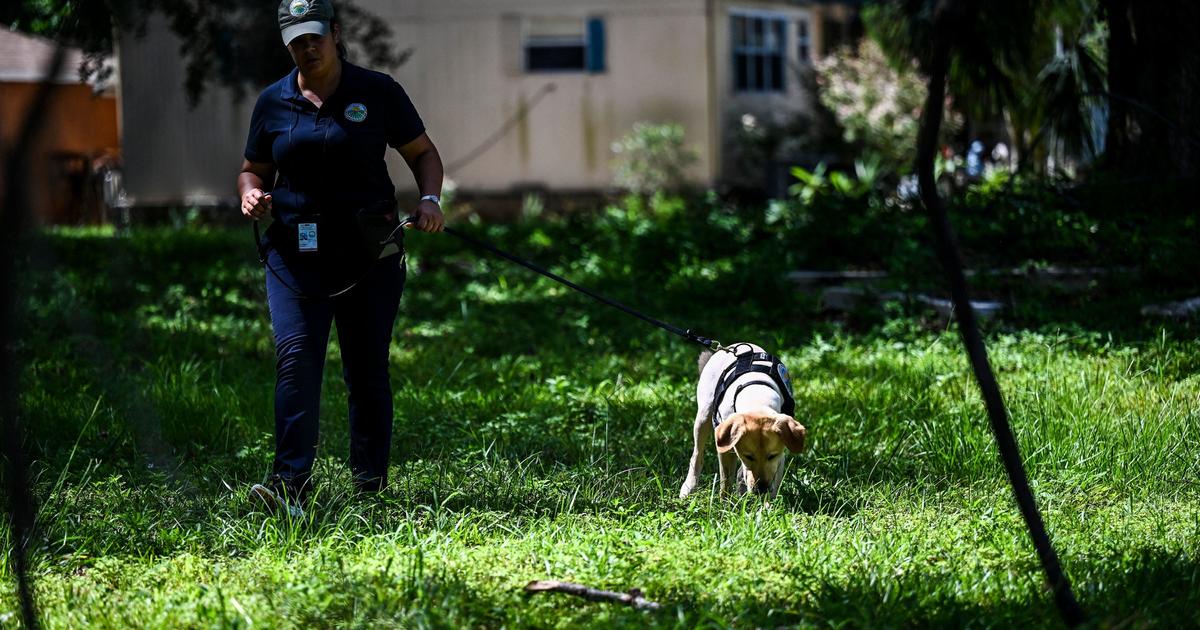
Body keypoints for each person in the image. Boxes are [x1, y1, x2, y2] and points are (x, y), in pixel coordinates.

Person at [237, 0, 444, 516]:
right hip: (294, 254)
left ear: (334, 33)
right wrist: (250, 193)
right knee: (295, 360)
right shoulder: (273, 102)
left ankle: (370, 487)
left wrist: (429, 199)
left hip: (368, 254)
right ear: (286, 43)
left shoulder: (377, 92)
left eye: (315, 36)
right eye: (296, 40)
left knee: (366, 369)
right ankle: (290, 486)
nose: (308, 47)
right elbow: (253, 168)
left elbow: (422, 153)